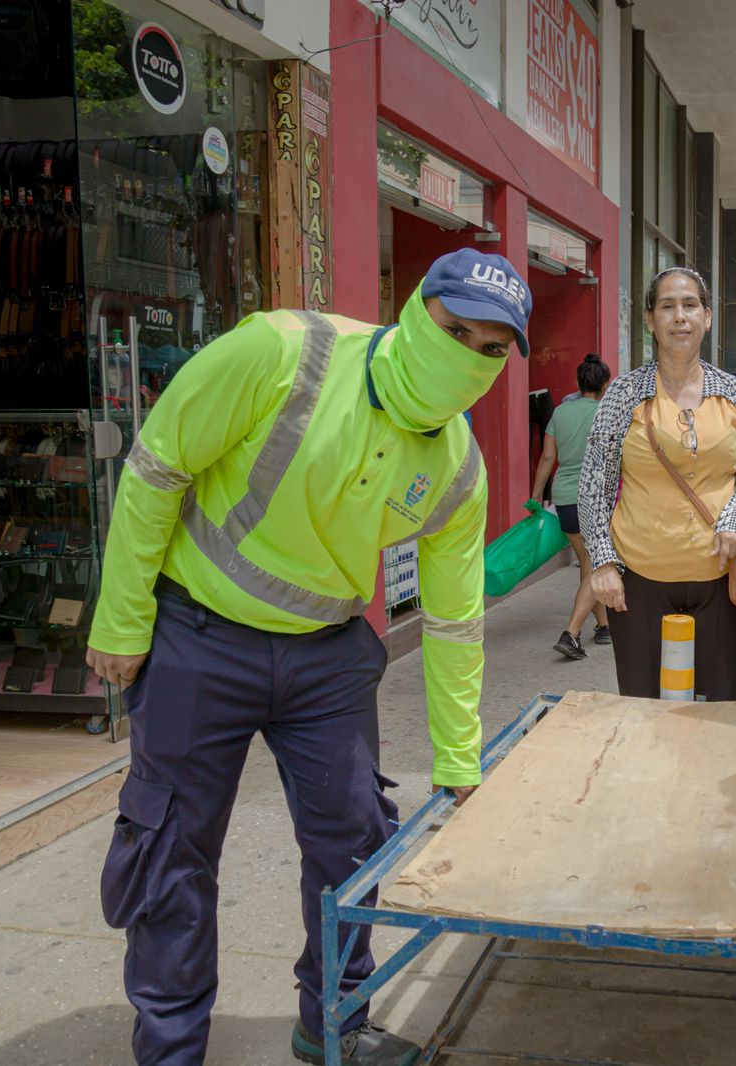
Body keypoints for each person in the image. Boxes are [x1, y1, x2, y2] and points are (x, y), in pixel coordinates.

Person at [86, 249, 531, 1066]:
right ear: (415, 309)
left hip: (326, 660)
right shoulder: (283, 351)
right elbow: (156, 465)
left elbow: (456, 620)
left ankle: (333, 1026)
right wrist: (121, 619)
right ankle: (171, 1048)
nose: (467, 354)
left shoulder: (458, 471)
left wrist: (458, 755)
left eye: (492, 347)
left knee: (353, 847)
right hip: (199, 639)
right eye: (454, 328)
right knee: (171, 855)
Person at [578, 266, 736, 701]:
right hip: (639, 579)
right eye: (667, 306)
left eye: (689, 305)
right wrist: (602, 563)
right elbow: (593, 487)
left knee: (719, 706)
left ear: (707, 317)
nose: (679, 316)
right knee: (642, 709)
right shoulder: (624, 393)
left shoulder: (732, 391)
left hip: (721, 575)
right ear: (650, 319)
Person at [532, 352, 612, 660]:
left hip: (565, 498)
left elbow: (548, 458)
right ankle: (572, 632)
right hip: (595, 499)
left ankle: (604, 626)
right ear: (605, 384)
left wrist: (537, 496)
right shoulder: (606, 413)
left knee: (588, 562)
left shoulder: (559, 414)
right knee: (593, 565)